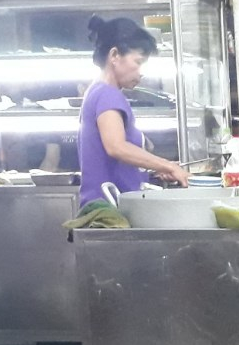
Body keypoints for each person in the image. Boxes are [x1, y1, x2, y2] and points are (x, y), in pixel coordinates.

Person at [78, 16, 189, 205]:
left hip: (106, 205)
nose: (141, 71)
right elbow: (117, 147)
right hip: (110, 208)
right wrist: (168, 166)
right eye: (138, 62)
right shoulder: (107, 94)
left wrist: (155, 167)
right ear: (114, 55)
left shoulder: (96, 91)